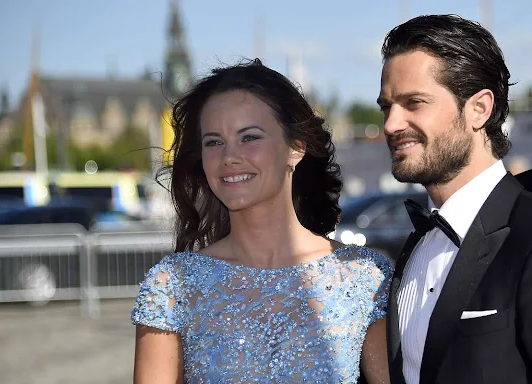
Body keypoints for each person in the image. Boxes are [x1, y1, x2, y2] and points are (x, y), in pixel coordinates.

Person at [131, 59, 391, 383]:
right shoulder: (172, 286)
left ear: (296, 147)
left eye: (249, 137)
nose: (229, 156)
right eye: (213, 142)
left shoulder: (363, 278)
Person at [377, 14, 532, 384]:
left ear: (479, 109)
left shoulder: (526, 232)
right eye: (387, 107)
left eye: (413, 103)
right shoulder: (415, 248)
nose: (390, 124)